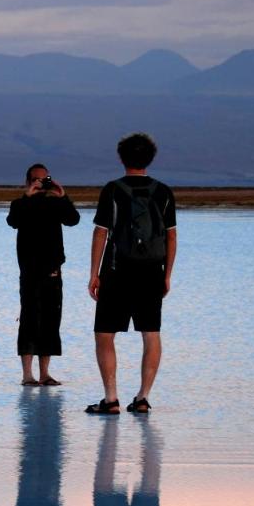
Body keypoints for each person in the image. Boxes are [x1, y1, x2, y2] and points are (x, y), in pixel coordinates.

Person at [85, 133, 177, 414]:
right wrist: (167, 275)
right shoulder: (163, 191)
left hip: (117, 271)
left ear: (121, 157)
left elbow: (101, 232)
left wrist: (94, 274)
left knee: (105, 334)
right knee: (151, 333)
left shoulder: (112, 190)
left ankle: (111, 398)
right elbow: (171, 238)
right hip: (151, 271)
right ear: (150, 158)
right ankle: (143, 397)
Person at [7, 163, 80, 386]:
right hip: (29, 272)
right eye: (36, 180)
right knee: (29, 319)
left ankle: (45, 373)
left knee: (50, 320)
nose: (40, 183)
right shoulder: (20, 204)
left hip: (52, 271)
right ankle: (27, 374)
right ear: (28, 182)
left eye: (44, 179)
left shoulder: (55, 203)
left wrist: (63, 196)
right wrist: (27, 197)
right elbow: (13, 221)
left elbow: (73, 220)